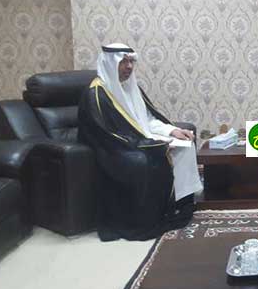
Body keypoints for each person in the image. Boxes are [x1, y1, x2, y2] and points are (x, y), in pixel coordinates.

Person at [78, 43, 203, 241]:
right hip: (113, 149)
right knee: (145, 159)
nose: (129, 67)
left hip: (138, 139)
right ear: (110, 63)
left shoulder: (131, 87)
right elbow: (107, 135)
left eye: (131, 62)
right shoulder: (96, 94)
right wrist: (155, 145)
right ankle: (149, 218)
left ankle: (179, 206)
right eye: (123, 62)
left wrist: (172, 131)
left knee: (185, 146)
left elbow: (147, 120)